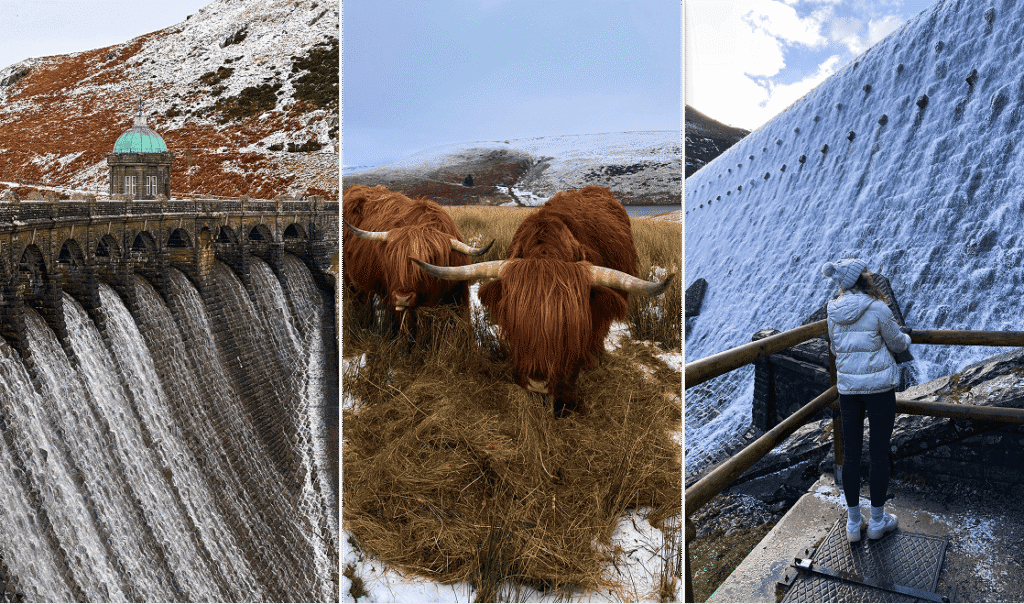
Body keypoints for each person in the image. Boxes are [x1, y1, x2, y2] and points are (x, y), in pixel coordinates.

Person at [822, 258, 911, 542]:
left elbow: (836, 348)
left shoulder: (832, 310)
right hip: (879, 390)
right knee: (878, 454)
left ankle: (852, 525)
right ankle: (876, 522)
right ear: (864, 280)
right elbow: (897, 343)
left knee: (851, 455)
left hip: (849, 391)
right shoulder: (878, 308)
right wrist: (907, 341)